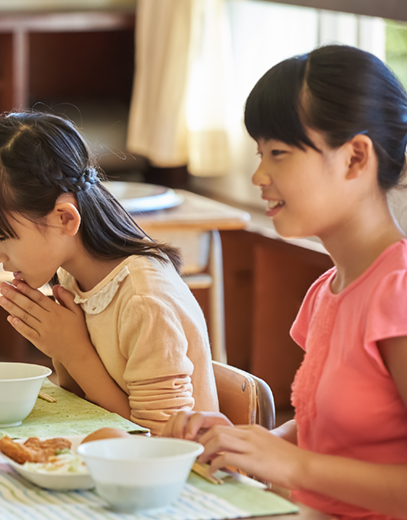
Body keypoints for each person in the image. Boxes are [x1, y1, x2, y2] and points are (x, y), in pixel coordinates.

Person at [163, 45, 407, 519]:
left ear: (356, 158)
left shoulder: (398, 294)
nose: (259, 174)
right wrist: (248, 445)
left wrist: (294, 466)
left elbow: (310, 464)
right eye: (260, 153)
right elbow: (330, 433)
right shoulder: (327, 290)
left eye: (278, 153)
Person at [0, 111, 219, 435]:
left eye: (3, 236)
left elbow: (158, 442)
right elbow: (82, 404)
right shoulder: (72, 278)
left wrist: (73, 352)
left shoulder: (144, 300)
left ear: (65, 219)